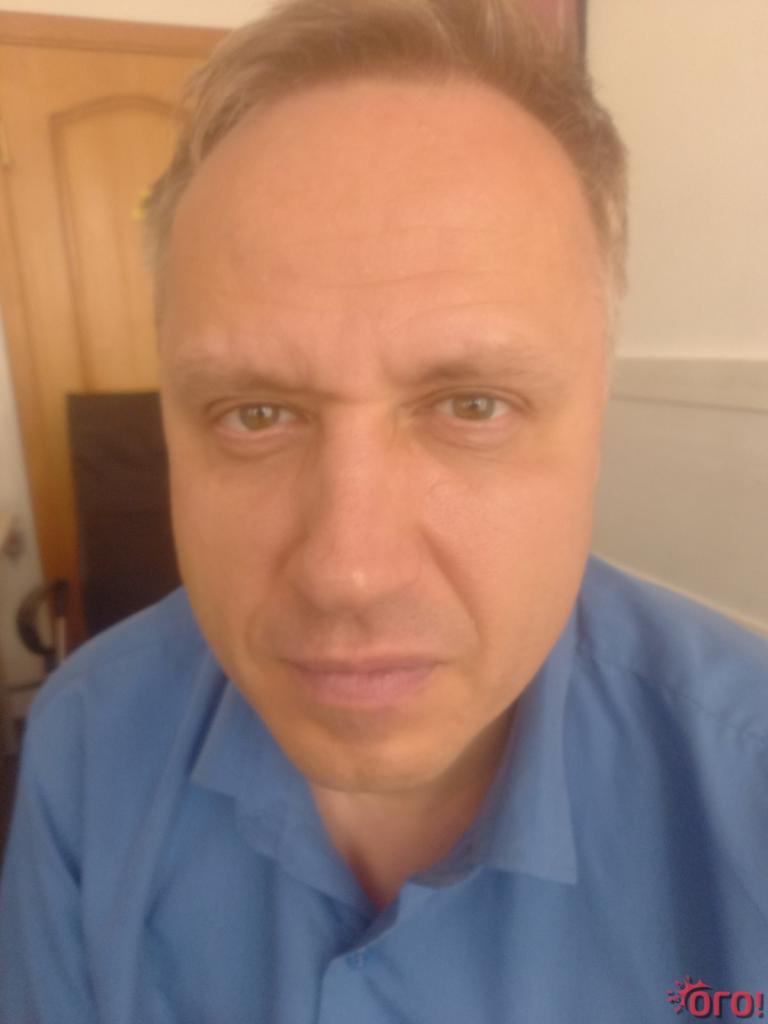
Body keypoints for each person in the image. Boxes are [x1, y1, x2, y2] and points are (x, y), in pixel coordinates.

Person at [1, 1, 766, 1020]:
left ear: (597, 421)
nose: (348, 572)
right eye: (254, 414)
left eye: (472, 405)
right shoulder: (86, 747)